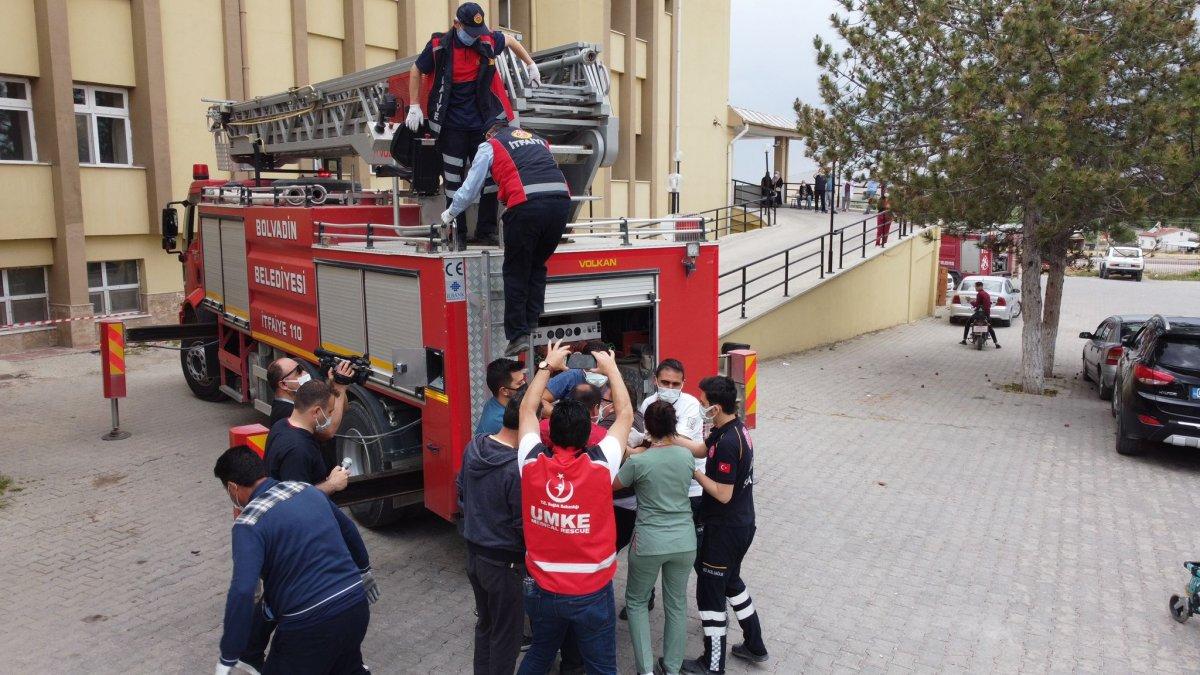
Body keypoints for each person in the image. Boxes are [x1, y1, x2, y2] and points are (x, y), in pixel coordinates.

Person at [516, 341, 632, 675]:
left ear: (549, 433)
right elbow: (624, 414)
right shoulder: (601, 465)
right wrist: (611, 369)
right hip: (592, 593)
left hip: (542, 590)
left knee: (539, 655)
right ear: (588, 435)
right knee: (601, 666)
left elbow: (527, 410)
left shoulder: (531, 464)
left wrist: (546, 366)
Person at [212, 445, 377, 675]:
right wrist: (364, 572)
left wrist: (230, 652)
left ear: (233, 487)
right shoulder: (304, 489)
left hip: (310, 623)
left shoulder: (248, 523)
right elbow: (349, 529)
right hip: (354, 606)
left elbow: (242, 591)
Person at [407, 2, 542, 247]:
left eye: (477, 32)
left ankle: (486, 230)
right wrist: (414, 105)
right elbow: (416, 69)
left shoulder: (487, 41)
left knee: (490, 179)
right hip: (452, 127)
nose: (474, 37)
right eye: (469, 32)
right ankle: (456, 232)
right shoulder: (438, 47)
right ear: (456, 25)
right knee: (453, 180)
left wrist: (530, 63)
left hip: (482, 124)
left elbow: (510, 41)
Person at [441, 120, 572, 356]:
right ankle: (531, 322)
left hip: (527, 205)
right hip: (561, 205)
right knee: (536, 265)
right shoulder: (540, 141)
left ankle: (517, 335)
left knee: (516, 270)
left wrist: (450, 214)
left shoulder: (491, 144)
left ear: (491, 132)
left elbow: (471, 188)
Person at [682, 376, 768, 675]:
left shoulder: (730, 442)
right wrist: (668, 437)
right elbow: (703, 450)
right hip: (740, 523)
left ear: (716, 407)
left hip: (725, 530)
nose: (701, 406)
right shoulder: (730, 427)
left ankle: (712, 663)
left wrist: (693, 474)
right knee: (732, 583)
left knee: (710, 593)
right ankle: (755, 645)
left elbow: (722, 492)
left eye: (704, 403)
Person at [613, 401, 697, 675]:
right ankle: (671, 667)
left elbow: (613, 484)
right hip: (684, 541)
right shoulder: (686, 457)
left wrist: (628, 450)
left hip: (649, 541)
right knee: (676, 604)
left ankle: (645, 670)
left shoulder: (639, 461)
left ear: (647, 427)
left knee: (636, 602)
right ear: (674, 426)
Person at [459, 392, 528, 675]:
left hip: (474, 557)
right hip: (504, 566)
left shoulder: (474, 447)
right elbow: (522, 524)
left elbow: (460, 490)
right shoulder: (515, 468)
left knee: (485, 626)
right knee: (506, 638)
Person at [640, 359, 704, 523]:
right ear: (655, 380)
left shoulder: (691, 405)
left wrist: (648, 438)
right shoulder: (648, 403)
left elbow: (677, 440)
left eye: (675, 384)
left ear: (683, 383)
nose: (670, 388)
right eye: (665, 382)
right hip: (660, 486)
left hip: (691, 488)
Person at [264, 380, 350, 495]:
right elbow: (296, 498)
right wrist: (331, 484)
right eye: (330, 411)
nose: (330, 416)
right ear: (316, 412)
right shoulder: (298, 450)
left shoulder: (280, 425)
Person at [476, 357, 583, 436]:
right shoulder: (502, 421)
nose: (525, 385)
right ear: (504, 391)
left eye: (524, 379)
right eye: (519, 383)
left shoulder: (504, 402)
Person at [266, 357, 353, 438]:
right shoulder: (285, 411)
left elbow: (340, 410)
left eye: (302, 368)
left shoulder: (301, 401)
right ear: (284, 384)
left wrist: (336, 384)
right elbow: (328, 431)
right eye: (299, 371)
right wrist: (339, 388)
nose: (306, 373)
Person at [960, 280, 1000, 348]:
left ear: (980, 287)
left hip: (979, 314)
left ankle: (964, 340)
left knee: (968, 323)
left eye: (976, 287)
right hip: (986, 314)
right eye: (975, 286)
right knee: (989, 327)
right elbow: (986, 304)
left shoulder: (979, 294)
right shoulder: (986, 294)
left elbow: (976, 304)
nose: (975, 288)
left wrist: (970, 301)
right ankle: (996, 343)